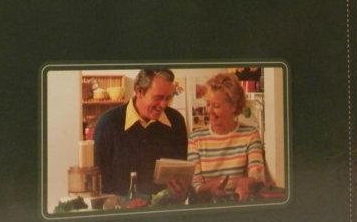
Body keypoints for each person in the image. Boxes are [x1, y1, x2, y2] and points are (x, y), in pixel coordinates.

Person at [93, 68, 188, 196]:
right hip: (122, 207)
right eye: (158, 97)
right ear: (139, 91)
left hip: (164, 206)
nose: (164, 105)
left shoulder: (176, 121)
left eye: (168, 98)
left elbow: (181, 175)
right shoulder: (108, 123)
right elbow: (100, 185)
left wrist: (181, 189)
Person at [188, 72, 265, 199]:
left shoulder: (250, 134)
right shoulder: (195, 139)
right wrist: (210, 187)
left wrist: (247, 182)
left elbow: (257, 174)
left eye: (216, 106)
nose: (209, 111)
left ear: (233, 106)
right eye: (208, 104)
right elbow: (195, 184)